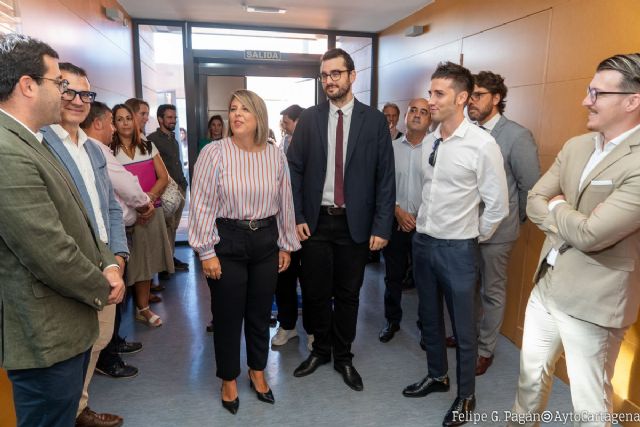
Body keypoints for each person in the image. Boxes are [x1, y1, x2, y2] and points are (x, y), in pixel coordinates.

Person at [508, 53, 640, 426]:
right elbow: (534, 198)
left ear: (632, 100)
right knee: (529, 382)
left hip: (594, 299)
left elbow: (592, 235)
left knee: (590, 407)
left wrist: (558, 208)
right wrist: (564, 215)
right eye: (588, 91)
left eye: (596, 93)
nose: (586, 101)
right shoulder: (576, 146)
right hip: (546, 286)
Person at [0, 33, 124, 427]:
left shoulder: (29, 141)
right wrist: (102, 284)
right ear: (28, 85)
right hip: (45, 328)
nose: (66, 95)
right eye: (60, 83)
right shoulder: (8, 150)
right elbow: (49, 248)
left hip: (64, 314)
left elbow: (92, 215)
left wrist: (110, 259)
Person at [402, 61, 508, 426]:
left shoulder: (482, 145)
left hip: (458, 249)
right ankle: (437, 375)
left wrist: (471, 237)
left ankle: (465, 396)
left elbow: (498, 206)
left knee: (464, 329)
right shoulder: (432, 139)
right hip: (423, 243)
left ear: (461, 98)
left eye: (438, 93)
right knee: (429, 319)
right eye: (431, 92)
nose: (431, 100)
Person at [288, 48, 395, 391]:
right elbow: (294, 169)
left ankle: (344, 356)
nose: (329, 81)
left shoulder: (374, 121)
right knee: (317, 292)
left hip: (355, 224)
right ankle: (320, 349)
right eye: (324, 75)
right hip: (315, 223)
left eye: (336, 73)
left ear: (352, 76)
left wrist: (381, 226)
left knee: (349, 294)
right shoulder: (309, 119)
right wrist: (297, 215)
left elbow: (385, 177)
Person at [189, 89, 299, 415]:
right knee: (227, 315)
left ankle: (257, 370)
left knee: (260, 313)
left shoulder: (274, 154)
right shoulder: (214, 153)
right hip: (228, 242)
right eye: (233, 109)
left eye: (245, 110)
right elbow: (203, 203)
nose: (236, 114)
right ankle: (228, 377)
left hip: (266, 240)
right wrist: (206, 251)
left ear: (258, 117)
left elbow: (285, 202)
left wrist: (286, 243)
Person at [40, 62, 128, 427]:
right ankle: (69, 411)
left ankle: (79, 408)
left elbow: (109, 206)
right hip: (71, 268)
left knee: (98, 341)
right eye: (68, 91)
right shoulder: (41, 144)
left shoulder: (93, 149)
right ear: (52, 92)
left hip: (106, 265)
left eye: (85, 94)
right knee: (70, 353)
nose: (78, 101)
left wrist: (119, 256)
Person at [465, 71, 540, 375]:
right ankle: (467, 337)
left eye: (478, 95)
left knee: (492, 292)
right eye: (469, 95)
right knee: (466, 287)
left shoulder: (517, 135)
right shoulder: (467, 132)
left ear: (496, 98)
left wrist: (514, 221)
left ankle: (485, 349)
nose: (471, 101)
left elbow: (530, 187)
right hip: (466, 228)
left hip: (499, 232)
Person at [81, 101, 146, 379]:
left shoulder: (92, 149)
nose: (113, 128)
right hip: (105, 245)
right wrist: (144, 203)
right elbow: (127, 186)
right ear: (98, 123)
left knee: (117, 301)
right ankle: (107, 357)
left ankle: (113, 343)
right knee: (111, 299)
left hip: (116, 237)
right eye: (110, 122)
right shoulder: (97, 150)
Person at [111, 103, 174, 327]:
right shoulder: (109, 150)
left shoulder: (148, 146)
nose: (126, 122)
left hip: (151, 211)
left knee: (146, 263)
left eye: (129, 117)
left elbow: (163, 177)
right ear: (113, 123)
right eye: (120, 119)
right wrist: (136, 206)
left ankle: (143, 308)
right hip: (126, 216)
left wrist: (147, 200)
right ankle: (132, 309)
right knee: (132, 264)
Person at [379, 98, 431, 344]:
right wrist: (398, 211)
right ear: (406, 116)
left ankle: (425, 326)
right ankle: (392, 320)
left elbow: (441, 190)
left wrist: (419, 217)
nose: (418, 115)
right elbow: (383, 187)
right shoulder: (391, 148)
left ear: (430, 119)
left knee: (425, 279)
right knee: (393, 275)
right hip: (396, 222)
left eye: (424, 112)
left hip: (426, 226)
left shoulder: (437, 150)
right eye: (413, 111)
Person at [272, 103, 311, 348]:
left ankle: (313, 330)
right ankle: (287, 327)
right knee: (284, 277)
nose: (284, 127)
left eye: (286, 122)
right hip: (283, 223)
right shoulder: (281, 146)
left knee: (311, 280)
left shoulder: (316, 145)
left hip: (308, 224)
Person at [147, 104, 189, 271]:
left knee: (173, 227)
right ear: (160, 119)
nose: (173, 120)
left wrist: (183, 185)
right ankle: (165, 266)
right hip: (165, 193)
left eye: (174, 117)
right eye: (169, 117)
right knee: (166, 228)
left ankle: (169, 260)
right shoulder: (151, 140)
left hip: (180, 188)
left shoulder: (174, 139)